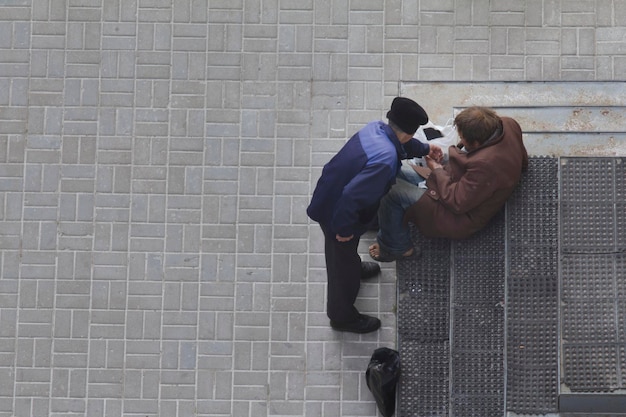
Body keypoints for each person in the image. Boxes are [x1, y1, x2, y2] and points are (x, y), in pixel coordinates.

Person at [307, 97, 443, 333]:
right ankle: (342, 317)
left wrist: (424, 149)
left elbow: (399, 144)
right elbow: (350, 198)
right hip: (336, 212)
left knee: (346, 257)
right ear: (410, 132)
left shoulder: (376, 129)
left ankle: (354, 266)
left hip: (332, 194)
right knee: (341, 265)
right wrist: (343, 231)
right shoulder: (385, 161)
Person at [369, 106, 528, 261]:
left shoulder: (485, 166)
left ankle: (398, 248)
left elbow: (456, 202)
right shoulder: (507, 124)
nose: (460, 141)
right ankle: (386, 218)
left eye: (463, 138)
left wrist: (438, 170)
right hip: (453, 181)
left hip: (458, 215)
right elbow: (521, 156)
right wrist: (444, 163)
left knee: (392, 194)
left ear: (477, 143)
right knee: (392, 168)